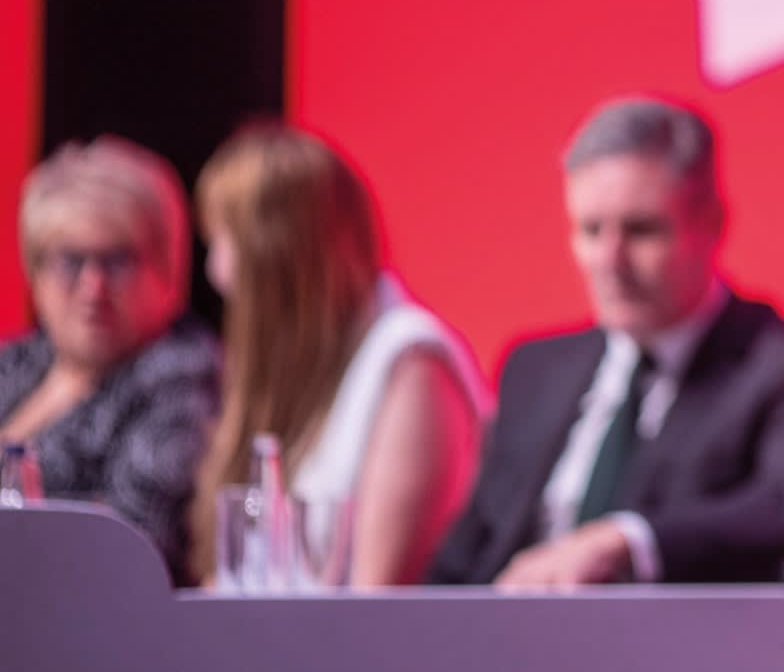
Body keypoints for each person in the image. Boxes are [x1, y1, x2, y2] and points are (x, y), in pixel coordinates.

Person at [427, 96, 784, 587]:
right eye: (591, 231)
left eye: (641, 231)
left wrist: (627, 541)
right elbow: (467, 553)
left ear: (713, 224)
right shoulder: (534, 368)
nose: (610, 260)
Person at [188, 123, 484, 586]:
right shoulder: (307, 374)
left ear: (278, 257)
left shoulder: (410, 362)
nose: (216, 272)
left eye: (223, 243)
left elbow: (373, 605)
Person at [0, 138, 220, 582]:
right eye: (71, 260)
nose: (93, 288)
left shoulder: (182, 376)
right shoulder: (18, 361)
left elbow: (126, 548)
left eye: (117, 260)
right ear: (35, 270)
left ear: (166, 266)